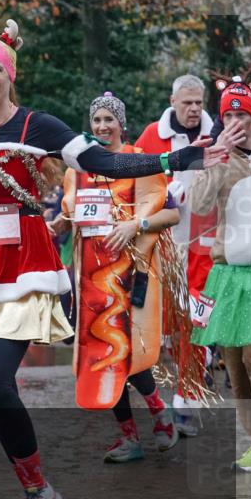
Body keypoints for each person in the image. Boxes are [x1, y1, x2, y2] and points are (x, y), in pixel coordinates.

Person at [0, 20, 236, 499]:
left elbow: (107, 160)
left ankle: (38, 492)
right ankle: (29, 482)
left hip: (23, 267)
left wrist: (186, 157)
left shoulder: (37, 126)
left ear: (10, 74)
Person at [50, 92, 181, 463]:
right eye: (97, 121)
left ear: (122, 123)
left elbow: (170, 216)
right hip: (91, 277)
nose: (103, 127)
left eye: (110, 120)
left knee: (127, 354)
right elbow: (76, 216)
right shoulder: (79, 168)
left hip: (132, 275)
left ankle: (159, 413)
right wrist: (58, 223)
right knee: (101, 356)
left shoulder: (139, 161)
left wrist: (133, 224)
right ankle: (129, 436)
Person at [135, 74, 218, 436]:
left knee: (194, 324)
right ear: (173, 101)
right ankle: (184, 382)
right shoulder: (153, 136)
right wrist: (173, 190)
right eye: (186, 102)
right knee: (167, 329)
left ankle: (188, 398)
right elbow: (136, 181)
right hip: (164, 246)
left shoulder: (217, 138)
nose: (193, 109)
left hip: (205, 244)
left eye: (198, 102)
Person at [188, 73, 251, 472]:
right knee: (233, 364)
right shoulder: (217, 156)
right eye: (228, 115)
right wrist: (215, 156)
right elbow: (197, 206)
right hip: (228, 273)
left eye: (242, 114)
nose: (236, 121)